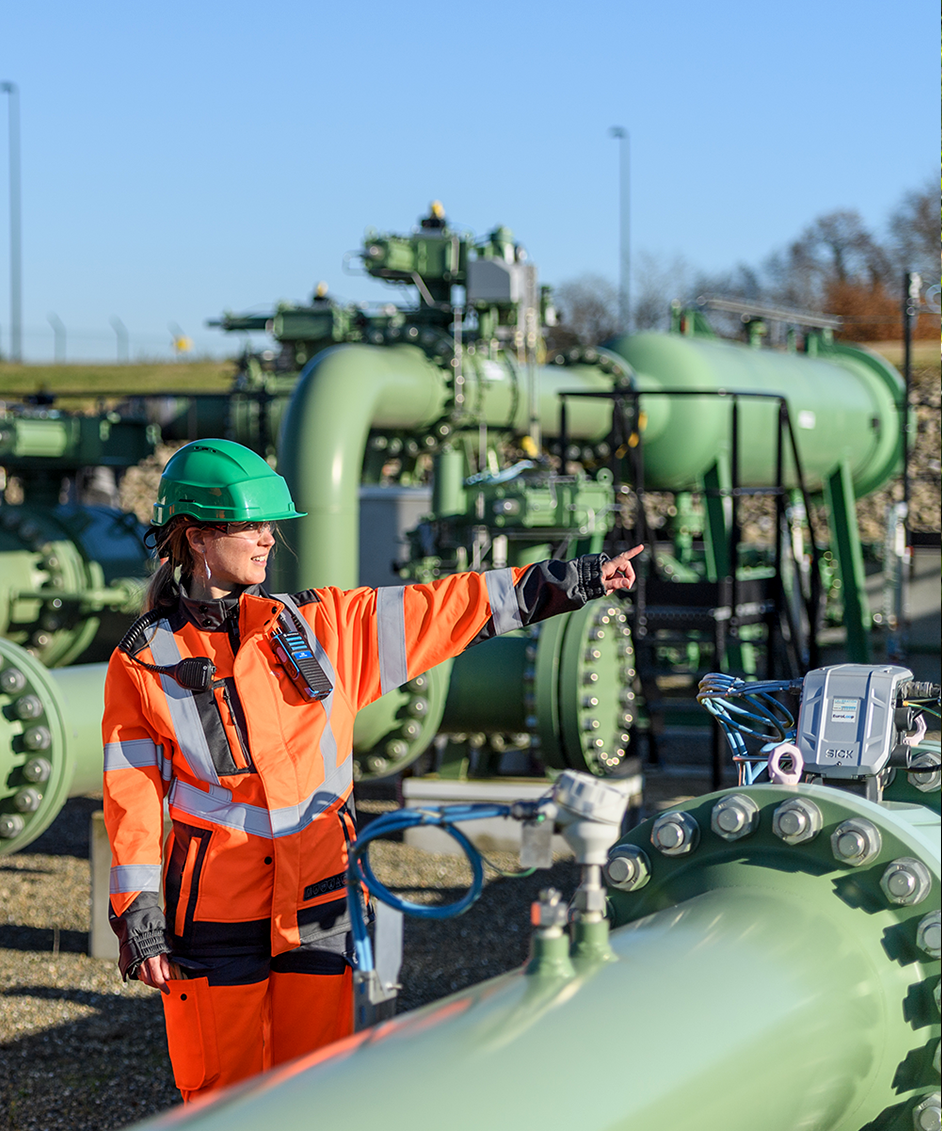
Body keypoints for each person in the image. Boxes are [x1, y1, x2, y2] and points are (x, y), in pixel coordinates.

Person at [101, 438, 640, 1101]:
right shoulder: (144, 661)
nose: (270, 540)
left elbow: (445, 607)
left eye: (273, 526)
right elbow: (131, 796)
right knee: (221, 1101)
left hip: (318, 904)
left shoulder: (325, 626)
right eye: (252, 526)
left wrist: (572, 581)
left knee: (317, 1092)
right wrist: (140, 913)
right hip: (213, 918)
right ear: (197, 538)